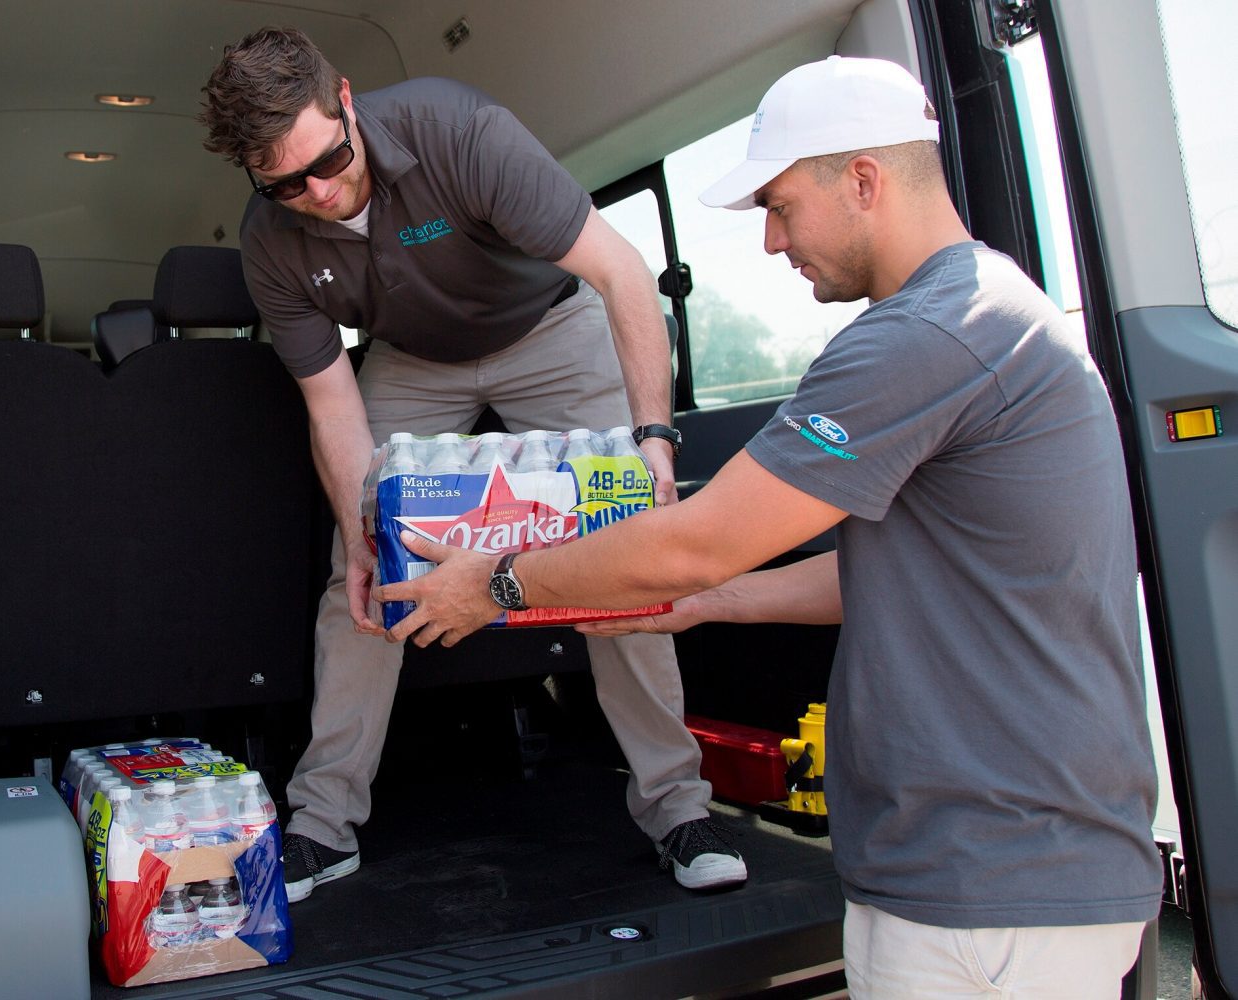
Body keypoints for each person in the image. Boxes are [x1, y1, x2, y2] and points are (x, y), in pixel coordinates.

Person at [379, 55, 1164, 997]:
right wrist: (712, 602)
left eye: (780, 206)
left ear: (864, 180)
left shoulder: (925, 336)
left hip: (989, 888)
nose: (770, 240)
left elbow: (695, 538)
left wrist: (496, 582)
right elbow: (899, 570)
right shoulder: (993, 310)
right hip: (1011, 870)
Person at [197, 27, 747, 903]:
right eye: (286, 184)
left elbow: (622, 273)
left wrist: (654, 437)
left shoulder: (461, 132)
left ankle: (679, 808)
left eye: (329, 161)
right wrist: (361, 533)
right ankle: (322, 823)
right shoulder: (271, 239)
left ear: (347, 102)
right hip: (413, 358)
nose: (319, 193)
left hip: (550, 328)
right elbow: (333, 406)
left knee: (628, 545)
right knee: (362, 571)